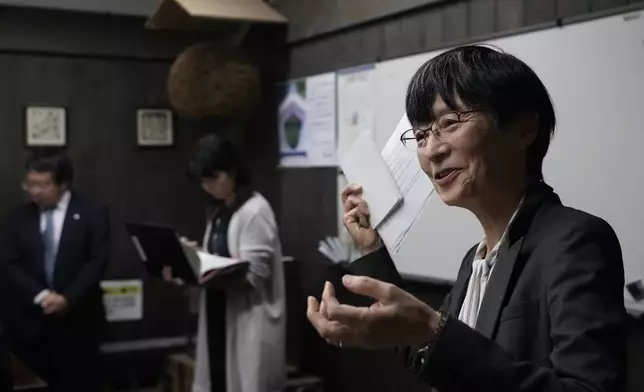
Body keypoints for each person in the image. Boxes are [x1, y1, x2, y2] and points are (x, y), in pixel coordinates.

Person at [307, 45, 626, 392]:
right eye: (422, 135)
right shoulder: (472, 262)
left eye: (449, 123)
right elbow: (434, 355)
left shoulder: (576, 242)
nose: (431, 150)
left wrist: (431, 330)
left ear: (523, 129)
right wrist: (371, 249)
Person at [168, 134, 286, 392]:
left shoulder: (255, 211)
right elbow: (216, 255)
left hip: (247, 317)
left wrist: (206, 268)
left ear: (232, 170)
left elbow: (251, 276)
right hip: (217, 314)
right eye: (203, 182)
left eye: (213, 179)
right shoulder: (220, 209)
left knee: (244, 381)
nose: (208, 187)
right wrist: (188, 260)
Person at [1, 149, 110, 392]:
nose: (35, 191)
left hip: (78, 323)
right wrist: (42, 296)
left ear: (63, 184)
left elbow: (96, 262)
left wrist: (67, 299)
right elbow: (10, 264)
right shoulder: (16, 218)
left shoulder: (93, 213)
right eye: (29, 184)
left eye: (43, 185)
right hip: (29, 325)